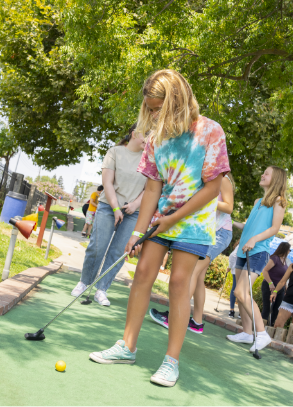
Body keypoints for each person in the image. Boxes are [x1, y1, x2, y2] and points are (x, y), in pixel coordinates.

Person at [88, 69, 230, 387]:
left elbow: (212, 188)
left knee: (179, 284)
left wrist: (172, 218)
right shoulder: (157, 139)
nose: (152, 114)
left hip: (192, 223)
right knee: (142, 275)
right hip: (160, 221)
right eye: (149, 108)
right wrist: (137, 233)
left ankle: (171, 362)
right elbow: (153, 189)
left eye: (156, 108)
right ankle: (127, 346)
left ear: (174, 101)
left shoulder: (210, 131)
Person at [71, 125, 147, 306]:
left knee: (118, 253)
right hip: (108, 207)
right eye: (147, 134)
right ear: (134, 134)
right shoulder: (115, 152)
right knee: (97, 247)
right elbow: (107, 182)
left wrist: (136, 204)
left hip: (133, 212)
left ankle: (102, 289)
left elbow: (150, 189)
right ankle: (84, 282)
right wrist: (115, 208)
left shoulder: (150, 159)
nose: (150, 139)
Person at [149, 173, 235, 333]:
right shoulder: (204, 177)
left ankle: (172, 316)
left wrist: (204, 198)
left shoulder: (223, 178)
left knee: (193, 272)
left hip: (220, 232)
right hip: (210, 230)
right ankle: (196, 322)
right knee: (199, 277)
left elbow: (229, 207)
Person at [227, 166, 288, 352]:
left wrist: (254, 239)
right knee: (239, 293)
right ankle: (247, 332)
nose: (262, 174)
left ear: (276, 179)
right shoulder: (257, 201)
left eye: (266, 173)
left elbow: (274, 228)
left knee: (241, 293)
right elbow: (248, 226)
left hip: (258, 251)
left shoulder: (279, 201)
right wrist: (227, 220)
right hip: (243, 251)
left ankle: (261, 334)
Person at [261, 242, 291, 326]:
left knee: (276, 310)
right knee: (267, 309)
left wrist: (285, 288)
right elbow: (265, 271)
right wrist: (270, 283)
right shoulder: (275, 258)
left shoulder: (284, 261)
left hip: (280, 289)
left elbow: (284, 277)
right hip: (269, 287)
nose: (289, 252)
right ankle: (260, 328)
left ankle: (270, 328)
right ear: (285, 249)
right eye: (289, 250)